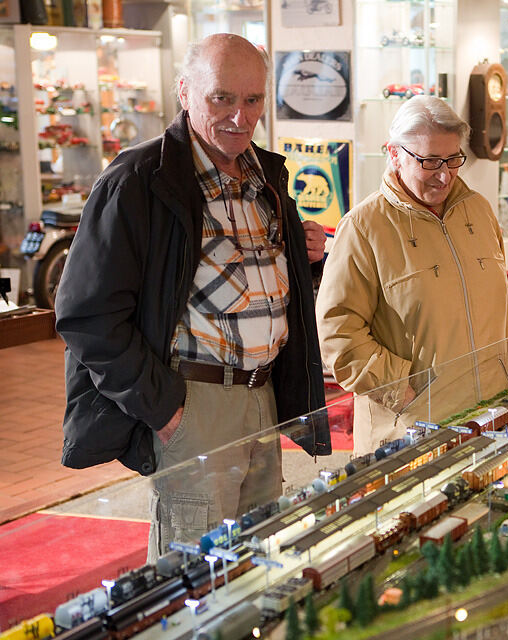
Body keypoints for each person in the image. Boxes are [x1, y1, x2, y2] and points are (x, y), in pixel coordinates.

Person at [55, 34, 330, 560]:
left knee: (257, 560)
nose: (240, 116)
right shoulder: (138, 180)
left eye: (253, 100)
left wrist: (302, 256)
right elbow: (87, 316)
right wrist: (163, 409)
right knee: (194, 576)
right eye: (221, 98)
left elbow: (263, 293)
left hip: (262, 396)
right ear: (184, 92)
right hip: (193, 403)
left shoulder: (265, 176)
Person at [316, 96, 508, 453]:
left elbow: (502, 312)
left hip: (490, 417)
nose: (444, 175)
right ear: (394, 153)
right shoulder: (364, 227)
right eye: (429, 161)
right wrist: (404, 390)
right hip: (412, 430)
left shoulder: (479, 210)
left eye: (453, 159)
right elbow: (338, 333)